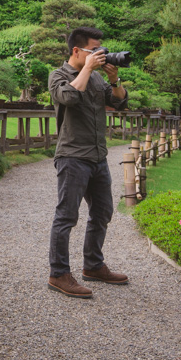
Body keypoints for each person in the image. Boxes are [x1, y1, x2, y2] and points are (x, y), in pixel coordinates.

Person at [47, 27, 129, 298]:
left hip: (98, 157)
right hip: (72, 157)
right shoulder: (58, 76)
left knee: (103, 212)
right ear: (76, 50)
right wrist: (88, 69)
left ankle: (93, 266)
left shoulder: (95, 77)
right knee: (66, 217)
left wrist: (114, 80)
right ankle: (58, 274)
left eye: (100, 50)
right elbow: (69, 97)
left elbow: (119, 103)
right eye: (94, 50)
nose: (100, 54)